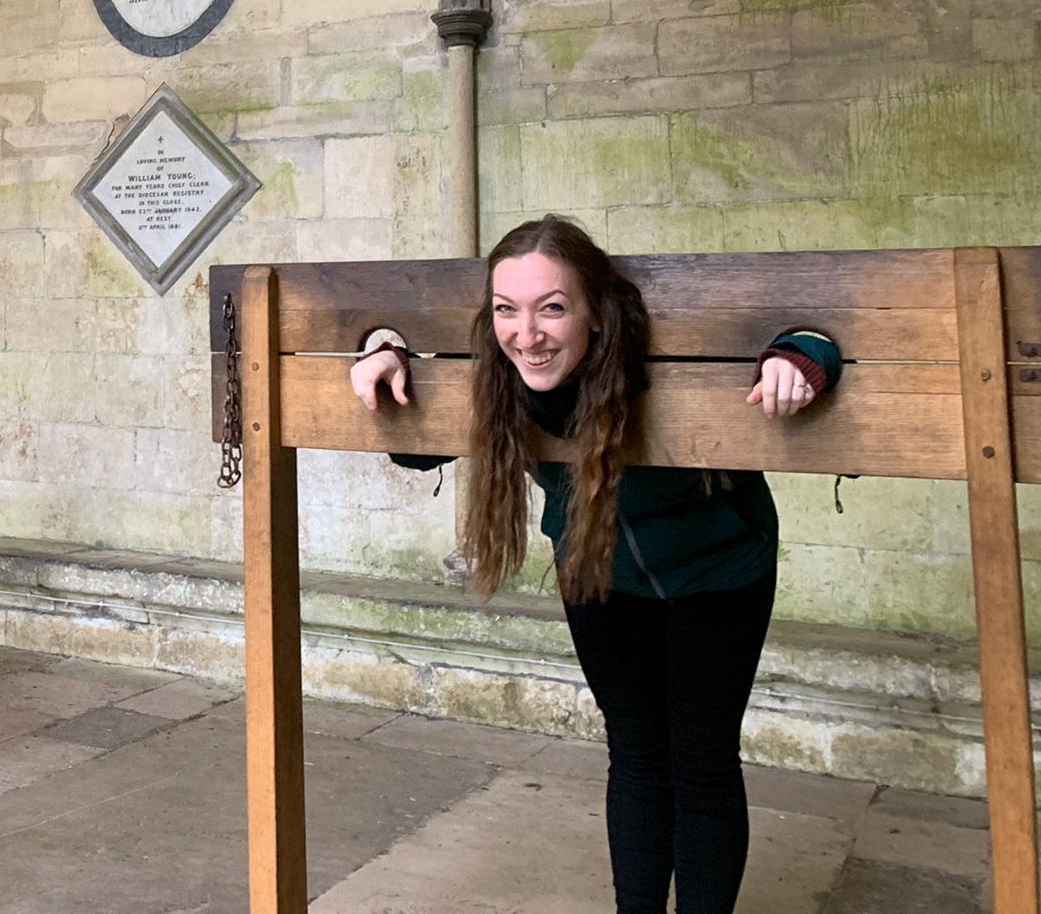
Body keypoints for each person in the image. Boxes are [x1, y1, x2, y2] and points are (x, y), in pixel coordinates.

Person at [348, 215, 840, 914]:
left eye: (552, 308)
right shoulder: (498, 375)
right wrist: (386, 353)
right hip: (596, 567)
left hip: (719, 565)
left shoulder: (647, 362)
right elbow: (414, 444)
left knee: (700, 760)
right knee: (636, 752)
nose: (527, 334)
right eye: (507, 310)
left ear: (597, 315)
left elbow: (821, 332)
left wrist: (799, 355)